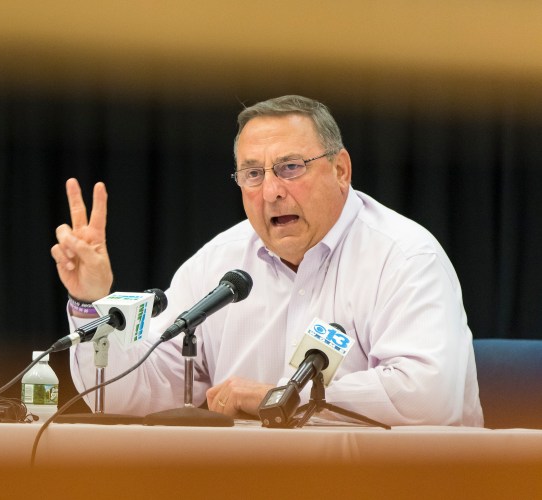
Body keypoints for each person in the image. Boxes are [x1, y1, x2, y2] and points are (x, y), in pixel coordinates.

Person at [51, 95, 483, 426]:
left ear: (341, 170)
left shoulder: (403, 255)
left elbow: (428, 395)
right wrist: (92, 303)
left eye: (291, 167)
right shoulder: (219, 263)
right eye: (253, 174)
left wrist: (277, 397)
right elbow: (130, 393)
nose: (272, 191)